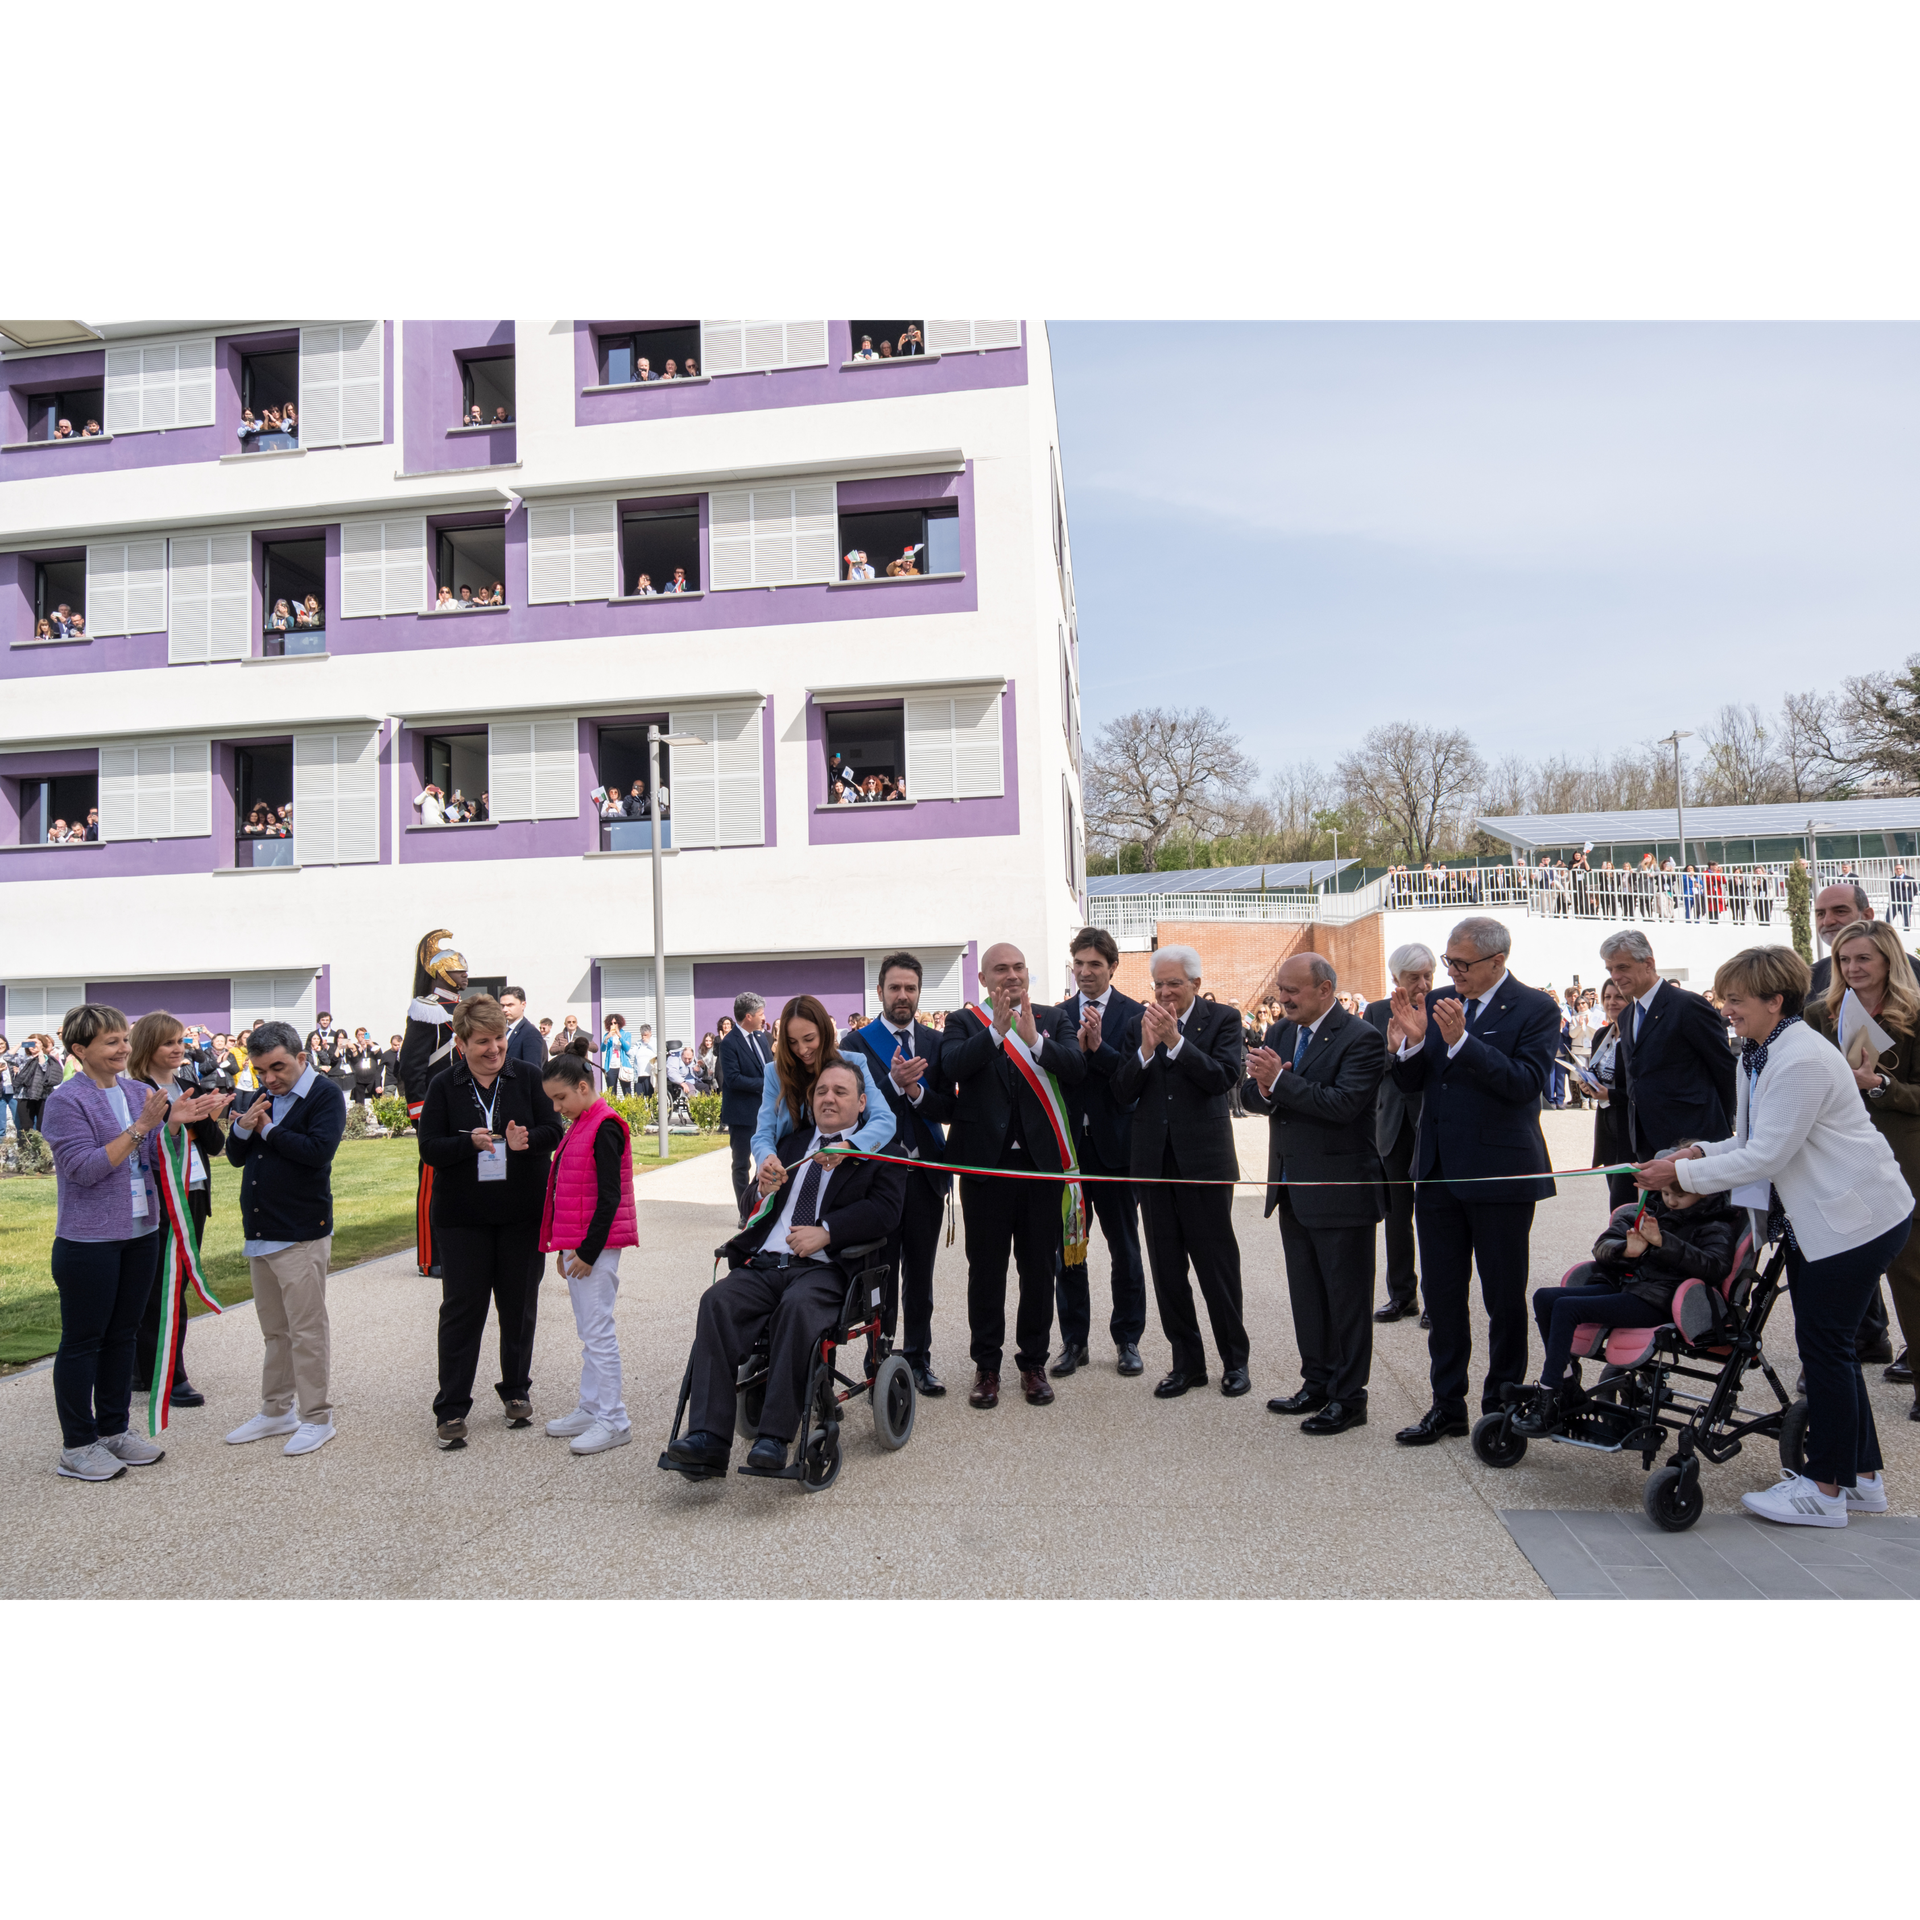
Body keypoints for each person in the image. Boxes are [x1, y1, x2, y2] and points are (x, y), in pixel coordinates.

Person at [1635, 946, 1913, 1525]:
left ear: (1773, 1001)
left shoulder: (1801, 1059)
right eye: (1724, 997)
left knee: (1825, 1350)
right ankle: (1860, 1478)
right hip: (1831, 1220)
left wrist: (1681, 1174)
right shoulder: (1759, 1054)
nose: (1726, 1009)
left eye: (1735, 1000)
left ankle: (1826, 1490)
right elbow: (1747, 1141)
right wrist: (1696, 1154)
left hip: (1853, 1221)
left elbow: (1767, 1154)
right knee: (1829, 1348)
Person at [665, 1061, 908, 1476]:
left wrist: (827, 1232)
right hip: (765, 1265)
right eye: (821, 1092)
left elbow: (886, 1212)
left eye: (841, 1091)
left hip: (825, 1270)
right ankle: (707, 1437)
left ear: (863, 1102)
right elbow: (750, 1211)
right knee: (717, 1301)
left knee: (797, 1308)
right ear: (811, 1102)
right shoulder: (792, 1146)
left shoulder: (879, 1152)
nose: (828, 1098)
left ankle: (775, 1438)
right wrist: (759, 1187)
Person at [1387, 916, 1558, 1445]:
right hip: (1437, 1172)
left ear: (1497, 961)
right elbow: (1413, 1085)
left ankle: (1501, 1407)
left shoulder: (1536, 1007)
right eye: (1449, 961)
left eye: (1462, 964)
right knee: (1442, 1298)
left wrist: (1462, 1043)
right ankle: (1447, 1405)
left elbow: (1527, 1083)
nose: (1451, 972)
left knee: (1502, 1298)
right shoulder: (1437, 1001)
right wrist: (1413, 1046)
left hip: (1500, 1174)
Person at [938, 948, 1090, 1409]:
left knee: (1039, 1272)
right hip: (987, 1171)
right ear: (983, 978)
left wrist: (1035, 1042)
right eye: (1000, 969)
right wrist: (995, 1033)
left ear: (1029, 973)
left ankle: (1033, 1363)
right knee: (986, 1272)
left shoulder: (1051, 1017)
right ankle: (986, 1367)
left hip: (1042, 1170)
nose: (1011, 976)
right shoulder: (964, 1022)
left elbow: (1077, 1068)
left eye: (1018, 968)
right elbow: (952, 1066)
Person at [38, 1005, 184, 1481]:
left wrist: (178, 1122)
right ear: (79, 1050)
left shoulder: (140, 1091)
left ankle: (115, 1429)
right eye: (111, 1042)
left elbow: (159, 1157)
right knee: (84, 1341)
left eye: (124, 1039)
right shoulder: (66, 1101)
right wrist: (142, 1126)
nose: (124, 1048)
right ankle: (77, 1445)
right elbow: (83, 1169)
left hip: (141, 1232)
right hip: (89, 1241)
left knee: (123, 1336)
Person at [1245, 954, 1387, 1434]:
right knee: (1308, 1296)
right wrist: (1266, 1090)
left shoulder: (1361, 1039)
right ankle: (1317, 1382)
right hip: (1290, 1185)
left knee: (1346, 1301)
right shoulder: (1283, 1032)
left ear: (1325, 990)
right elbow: (1253, 1095)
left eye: (1293, 990)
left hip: (1341, 1191)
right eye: (1280, 989)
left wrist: (1279, 1082)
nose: (1282, 998)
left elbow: (1344, 1105)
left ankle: (1349, 1398)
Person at [418, 995, 561, 1448]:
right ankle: (452, 1406)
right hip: (462, 1218)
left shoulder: (530, 1077)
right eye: (483, 1041)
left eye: (499, 1038)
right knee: (463, 1310)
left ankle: (516, 1391)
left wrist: (525, 1142)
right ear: (462, 1044)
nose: (494, 1049)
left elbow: (553, 1132)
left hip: (521, 1213)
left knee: (519, 1307)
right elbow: (429, 1148)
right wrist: (469, 1144)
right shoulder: (443, 1085)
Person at [1110, 945, 1249, 1399]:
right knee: (1168, 1271)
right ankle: (1186, 1363)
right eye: (1158, 984)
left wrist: (1177, 1043)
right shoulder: (1138, 1025)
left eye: (1174, 983)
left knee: (1216, 1268)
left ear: (1195, 984)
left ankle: (1234, 1361)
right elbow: (1122, 1090)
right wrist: (1147, 1051)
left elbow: (1223, 1078)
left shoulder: (1223, 1019)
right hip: (1154, 1164)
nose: (1165, 992)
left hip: (1204, 1164)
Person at [1516, 1157, 1742, 1434]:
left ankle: (1551, 1400)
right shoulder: (1642, 1210)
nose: (1670, 1200)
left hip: (1658, 1300)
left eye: (1679, 1196)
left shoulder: (1714, 1225)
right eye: (1666, 1192)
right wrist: (1626, 1251)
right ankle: (1567, 1386)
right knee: (1544, 1297)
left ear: (1704, 1190)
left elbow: (1715, 1267)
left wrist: (1663, 1242)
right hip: (1621, 1285)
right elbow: (1602, 1246)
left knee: (1566, 1308)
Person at [1805, 919, 1920, 1413]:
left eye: (1863, 959)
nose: (1852, 968)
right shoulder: (1819, 1017)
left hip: (1903, 1159)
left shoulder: (1916, 1016)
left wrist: (1879, 1086)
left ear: (1889, 961)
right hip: (1836, 1159)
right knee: (1831, 1273)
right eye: (1844, 960)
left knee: (1910, 1277)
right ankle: (1831, 1374)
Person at [222, 1021, 348, 1458]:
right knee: (275, 1331)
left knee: (306, 1331)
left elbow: (318, 1152)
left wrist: (267, 1130)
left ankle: (317, 1416)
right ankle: (276, 1410)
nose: (270, 1078)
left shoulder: (324, 1095)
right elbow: (236, 1156)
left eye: (277, 1067)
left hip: (300, 1232)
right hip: (261, 1231)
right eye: (261, 1071)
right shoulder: (261, 1097)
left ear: (300, 1057)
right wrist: (244, 1126)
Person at [845, 953, 957, 1395]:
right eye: (895, 988)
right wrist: (891, 1085)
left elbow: (948, 1108)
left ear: (919, 992)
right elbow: (852, 1113)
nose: (903, 996)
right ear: (880, 992)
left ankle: (920, 1359)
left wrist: (914, 1091)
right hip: (878, 1181)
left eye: (910, 988)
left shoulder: (934, 1041)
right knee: (882, 1274)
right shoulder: (856, 1044)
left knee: (921, 1277)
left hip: (926, 1175)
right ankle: (881, 1362)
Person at [1051, 928, 1148, 1376]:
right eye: (1079, 964)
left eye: (1094, 964)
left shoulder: (1135, 1015)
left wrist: (1100, 1049)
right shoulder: (1056, 1016)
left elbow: (1133, 1081)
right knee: (1070, 1248)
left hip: (1117, 1151)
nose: (1086, 972)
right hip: (1069, 1154)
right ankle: (1074, 1342)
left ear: (1112, 967)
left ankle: (1128, 1339)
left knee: (1125, 1250)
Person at [533, 1053, 637, 1454]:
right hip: (581, 1245)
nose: (557, 1108)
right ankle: (593, 1406)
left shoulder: (604, 1126)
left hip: (596, 1247)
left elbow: (609, 1197)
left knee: (598, 1332)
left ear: (582, 1087)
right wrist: (565, 1248)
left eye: (560, 1098)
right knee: (589, 1332)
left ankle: (613, 1419)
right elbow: (572, 1190)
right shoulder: (581, 1124)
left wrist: (588, 1252)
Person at [127, 1011, 231, 1411]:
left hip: (193, 1191)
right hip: (157, 1196)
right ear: (148, 1045)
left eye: (181, 1042)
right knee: (160, 1285)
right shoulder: (136, 1089)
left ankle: (145, 1369)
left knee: (175, 1281)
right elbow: (142, 1142)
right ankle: (169, 1375)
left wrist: (209, 1116)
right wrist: (176, 1119)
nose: (178, 1049)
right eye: (169, 1042)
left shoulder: (188, 1083)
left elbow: (213, 1145)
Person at [1604, 930, 1736, 1160]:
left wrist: (1724, 1131)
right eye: (1610, 970)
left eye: (1622, 967)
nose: (1615, 976)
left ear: (1648, 963)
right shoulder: (1627, 1016)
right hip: (1645, 1141)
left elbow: (1724, 1069)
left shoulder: (1687, 1005)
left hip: (1693, 1141)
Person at [1364, 943, 1434, 1321]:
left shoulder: (1446, 1008)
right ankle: (1402, 1295)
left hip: (1433, 1125)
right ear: (1396, 980)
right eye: (1413, 978)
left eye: (1428, 976)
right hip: (1391, 1125)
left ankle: (1436, 1299)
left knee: (1435, 1216)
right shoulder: (1376, 1012)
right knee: (1396, 1216)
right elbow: (1369, 1065)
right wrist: (1397, 1052)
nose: (1422, 984)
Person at [401, 929, 469, 1275]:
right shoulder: (425, 1010)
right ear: (442, 973)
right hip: (435, 1109)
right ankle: (431, 1258)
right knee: (432, 1184)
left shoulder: (466, 1008)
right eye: (459, 972)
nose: (465, 977)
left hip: (465, 1105)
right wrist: (419, 1111)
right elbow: (412, 1067)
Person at [1807, 880, 1920, 997]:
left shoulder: (1912, 970)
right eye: (1820, 914)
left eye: (1840, 911)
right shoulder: (1812, 976)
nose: (1827, 921)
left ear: (1867, 915)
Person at [1580, 979, 1636, 1206]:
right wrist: (1588, 1086)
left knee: (1623, 1201)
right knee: (1615, 1196)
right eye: (1607, 997)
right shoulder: (1602, 1034)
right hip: (1606, 1125)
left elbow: (1645, 1089)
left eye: (1619, 997)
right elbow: (1598, 1073)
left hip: (1630, 1128)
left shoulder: (1637, 1036)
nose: (1612, 1002)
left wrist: (1610, 1095)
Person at [719, 992, 775, 1219]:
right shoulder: (729, 1043)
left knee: (769, 1160)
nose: (764, 1018)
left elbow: (769, 1067)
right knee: (742, 1164)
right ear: (749, 1016)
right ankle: (746, 1211)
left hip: (767, 1111)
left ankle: (767, 1206)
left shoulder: (762, 1037)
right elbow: (732, 1079)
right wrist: (768, 1084)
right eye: (761, 1014)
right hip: (742, 1114)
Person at [15, 1034, 62, 1136]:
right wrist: (21, 1043)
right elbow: (7, 1057)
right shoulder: (23, 1059)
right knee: (25, 1128)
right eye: (31, 1043)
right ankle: (26, 1150)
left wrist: (40, 1051)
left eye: (36, 1043)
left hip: (43, 1096)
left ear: (42, 1044)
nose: (33, 1046)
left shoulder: (49, 1058)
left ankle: (43, 1151)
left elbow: (44, 1068)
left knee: (43, 1127)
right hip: (25, 1096)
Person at [500, 987, 545, 1071]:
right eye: (502, 1005)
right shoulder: (500, 1030)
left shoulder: (530, 1033)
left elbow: (532, 1070)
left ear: (523, 1005)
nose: (504, 1009)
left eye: (510, 1005)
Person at [601, 1013, 635, 1096]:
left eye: (615, 1023)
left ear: (619, 1023)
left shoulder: (626, 1034)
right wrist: (606, 1039)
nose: (613, 1025)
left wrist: (619, 1035)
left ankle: (628, 1108)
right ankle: (613, 1108)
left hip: (623, 1066)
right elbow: (602, 1049)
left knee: (627, 1091)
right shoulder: (607, 1035)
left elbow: (627, 1048)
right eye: (611, 1023)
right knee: (611, 1092)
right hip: (611, 1067)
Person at [634, 1023, 656, 1097]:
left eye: (645, 1035)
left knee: (651, 1097)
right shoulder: (638, 1043)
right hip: (639, 1075)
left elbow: (658, 1052)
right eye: (642, 1035)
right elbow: (632, 1053)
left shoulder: (655, 1042)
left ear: (650, 1033)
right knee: (638, 1098)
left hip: (650, 1075)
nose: (643, 1037)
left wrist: (648, 1043)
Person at [1891, 865, 1916, 932]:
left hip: (1906, 902)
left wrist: (1908, 897)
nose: (1898, 870)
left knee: (1906, 919)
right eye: (1896, 869)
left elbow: (1915, 890)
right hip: (1895, 902)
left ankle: (1906, 931)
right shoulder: (1892, 880)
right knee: (1889, 918)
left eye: (1900, 869)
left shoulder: (1910, 879)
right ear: (1894, 870)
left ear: (1903, 869)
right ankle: (1887, 932)